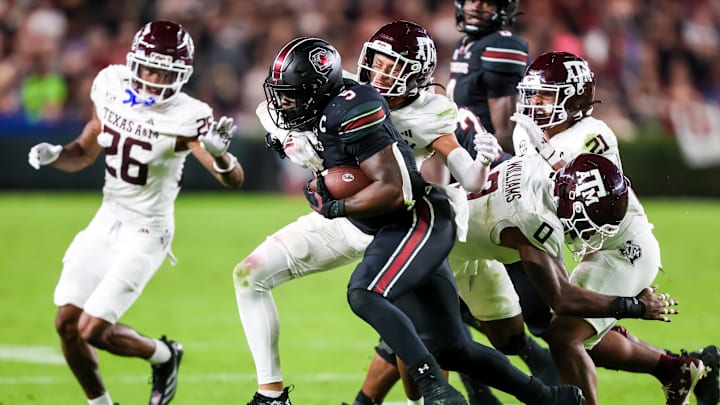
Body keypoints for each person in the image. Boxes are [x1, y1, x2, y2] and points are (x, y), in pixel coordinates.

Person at [247, 36, 586, 405]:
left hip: (416, 219)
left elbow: (405, 188)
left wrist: (331, 201)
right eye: (376, 61)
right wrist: (292, 144)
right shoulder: (334, 92)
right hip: (365, 222)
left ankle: (437, 390)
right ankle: (543, 397)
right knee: (445, 344)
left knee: (455, 332)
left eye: (392, 66)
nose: (380, 72)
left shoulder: (408, 111)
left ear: (416, 75)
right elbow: (278, 110)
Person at [27, 20, 244, 405]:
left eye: (165, 71)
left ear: (182, 75)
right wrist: (56, 155)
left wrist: (220, 155)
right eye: (149, 67)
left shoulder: (188, 115)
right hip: (107, 218)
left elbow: (233, 180)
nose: (155, 78)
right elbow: (84, 150)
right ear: (133, 63)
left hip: (147, 232)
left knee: (93, 328)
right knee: (66, 324)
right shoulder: (110, 84)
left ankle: (164, 355)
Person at [509, 50, 717, 405]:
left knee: (564, 335)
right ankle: (677, 369)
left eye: (545, 94)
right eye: (532, 94)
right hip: (586, 246)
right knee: (587, 335)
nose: (535, 103)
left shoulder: (594, 134)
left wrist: (542, 151)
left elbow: (570, 186)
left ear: (574, 98)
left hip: (624, 247)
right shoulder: (526, 133)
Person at [448, 3, 559, 403]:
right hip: (473, 188)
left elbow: (507, 134)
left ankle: (671, 365)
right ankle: (481, 392)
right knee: (448, 306)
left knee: (549, 317)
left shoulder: (501, 47)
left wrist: (508, 193)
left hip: (498, 193)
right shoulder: (469, 46)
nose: (478, 4)